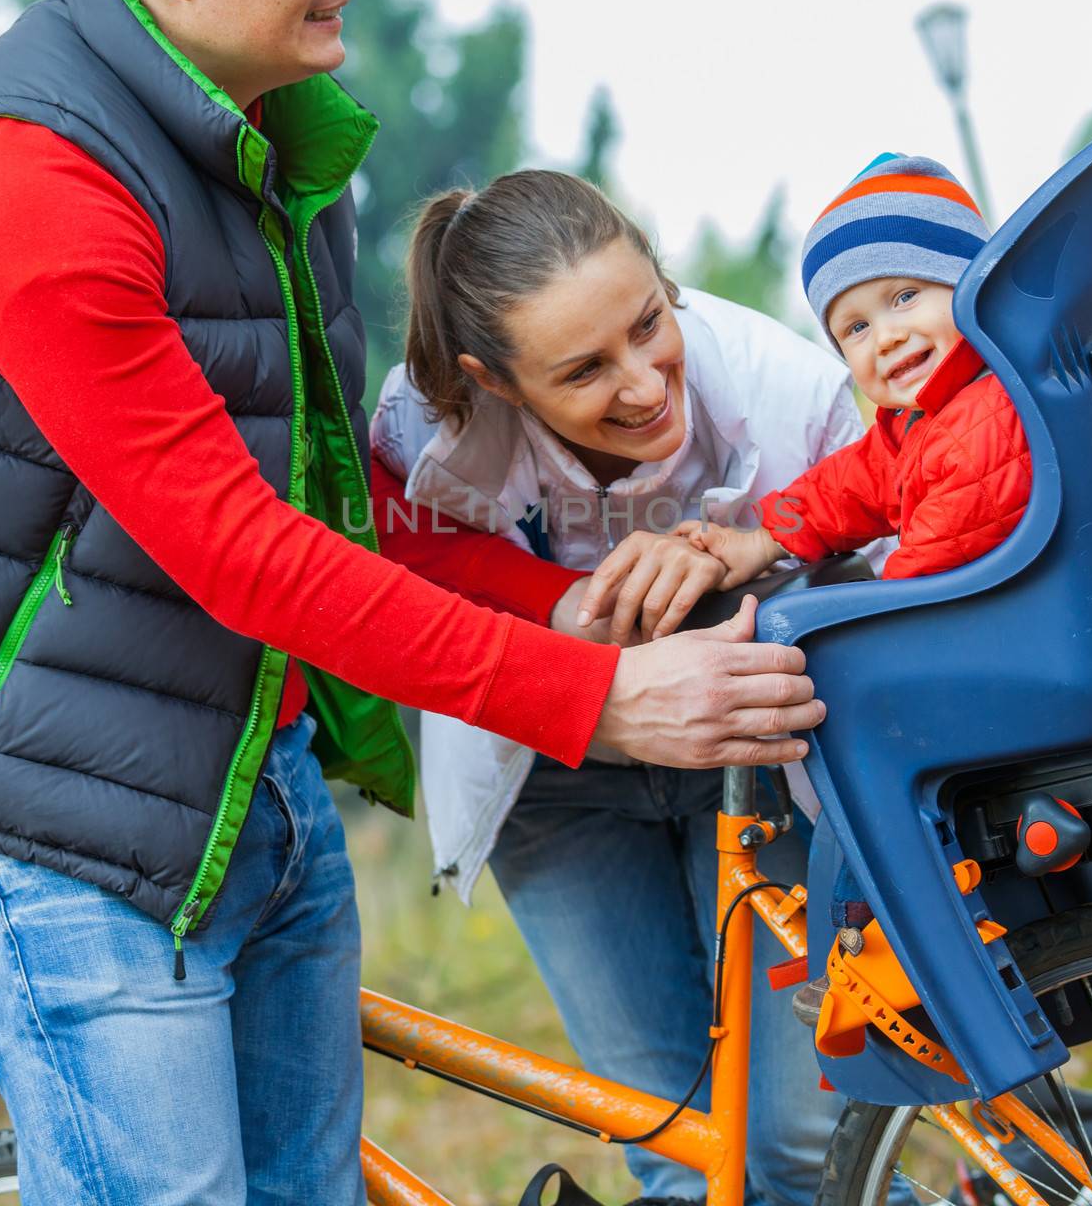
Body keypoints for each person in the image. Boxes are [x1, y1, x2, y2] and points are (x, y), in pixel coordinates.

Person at [0, 0, 825, 1203]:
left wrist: (582, 614)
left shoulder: (270, 154)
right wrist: (595, 699)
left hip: (246, 781)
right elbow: (239, 550)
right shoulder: (23, 182)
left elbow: (343, 511)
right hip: (58, 828)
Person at [371, 169, 885, 1206]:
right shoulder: (424, 424)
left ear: (660, 273)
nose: (645, 383)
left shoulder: (788, 396)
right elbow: (386, 553)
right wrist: (559, 602)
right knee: (674, 1149)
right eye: (585, 371)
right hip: (559, 789)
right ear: (496, 382)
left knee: (796, 1149)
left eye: (651, 324)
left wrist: (757, 542)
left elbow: (911, 546)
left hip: (760, 775)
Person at [682, 153, 1032, 589]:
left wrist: (875, 623)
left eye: (905, 296)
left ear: (973, 286)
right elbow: (847, 487)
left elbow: (927, 589)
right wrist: (762, 541)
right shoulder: (921, 422)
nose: (886, 338)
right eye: (858, 327)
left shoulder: (985, 418)